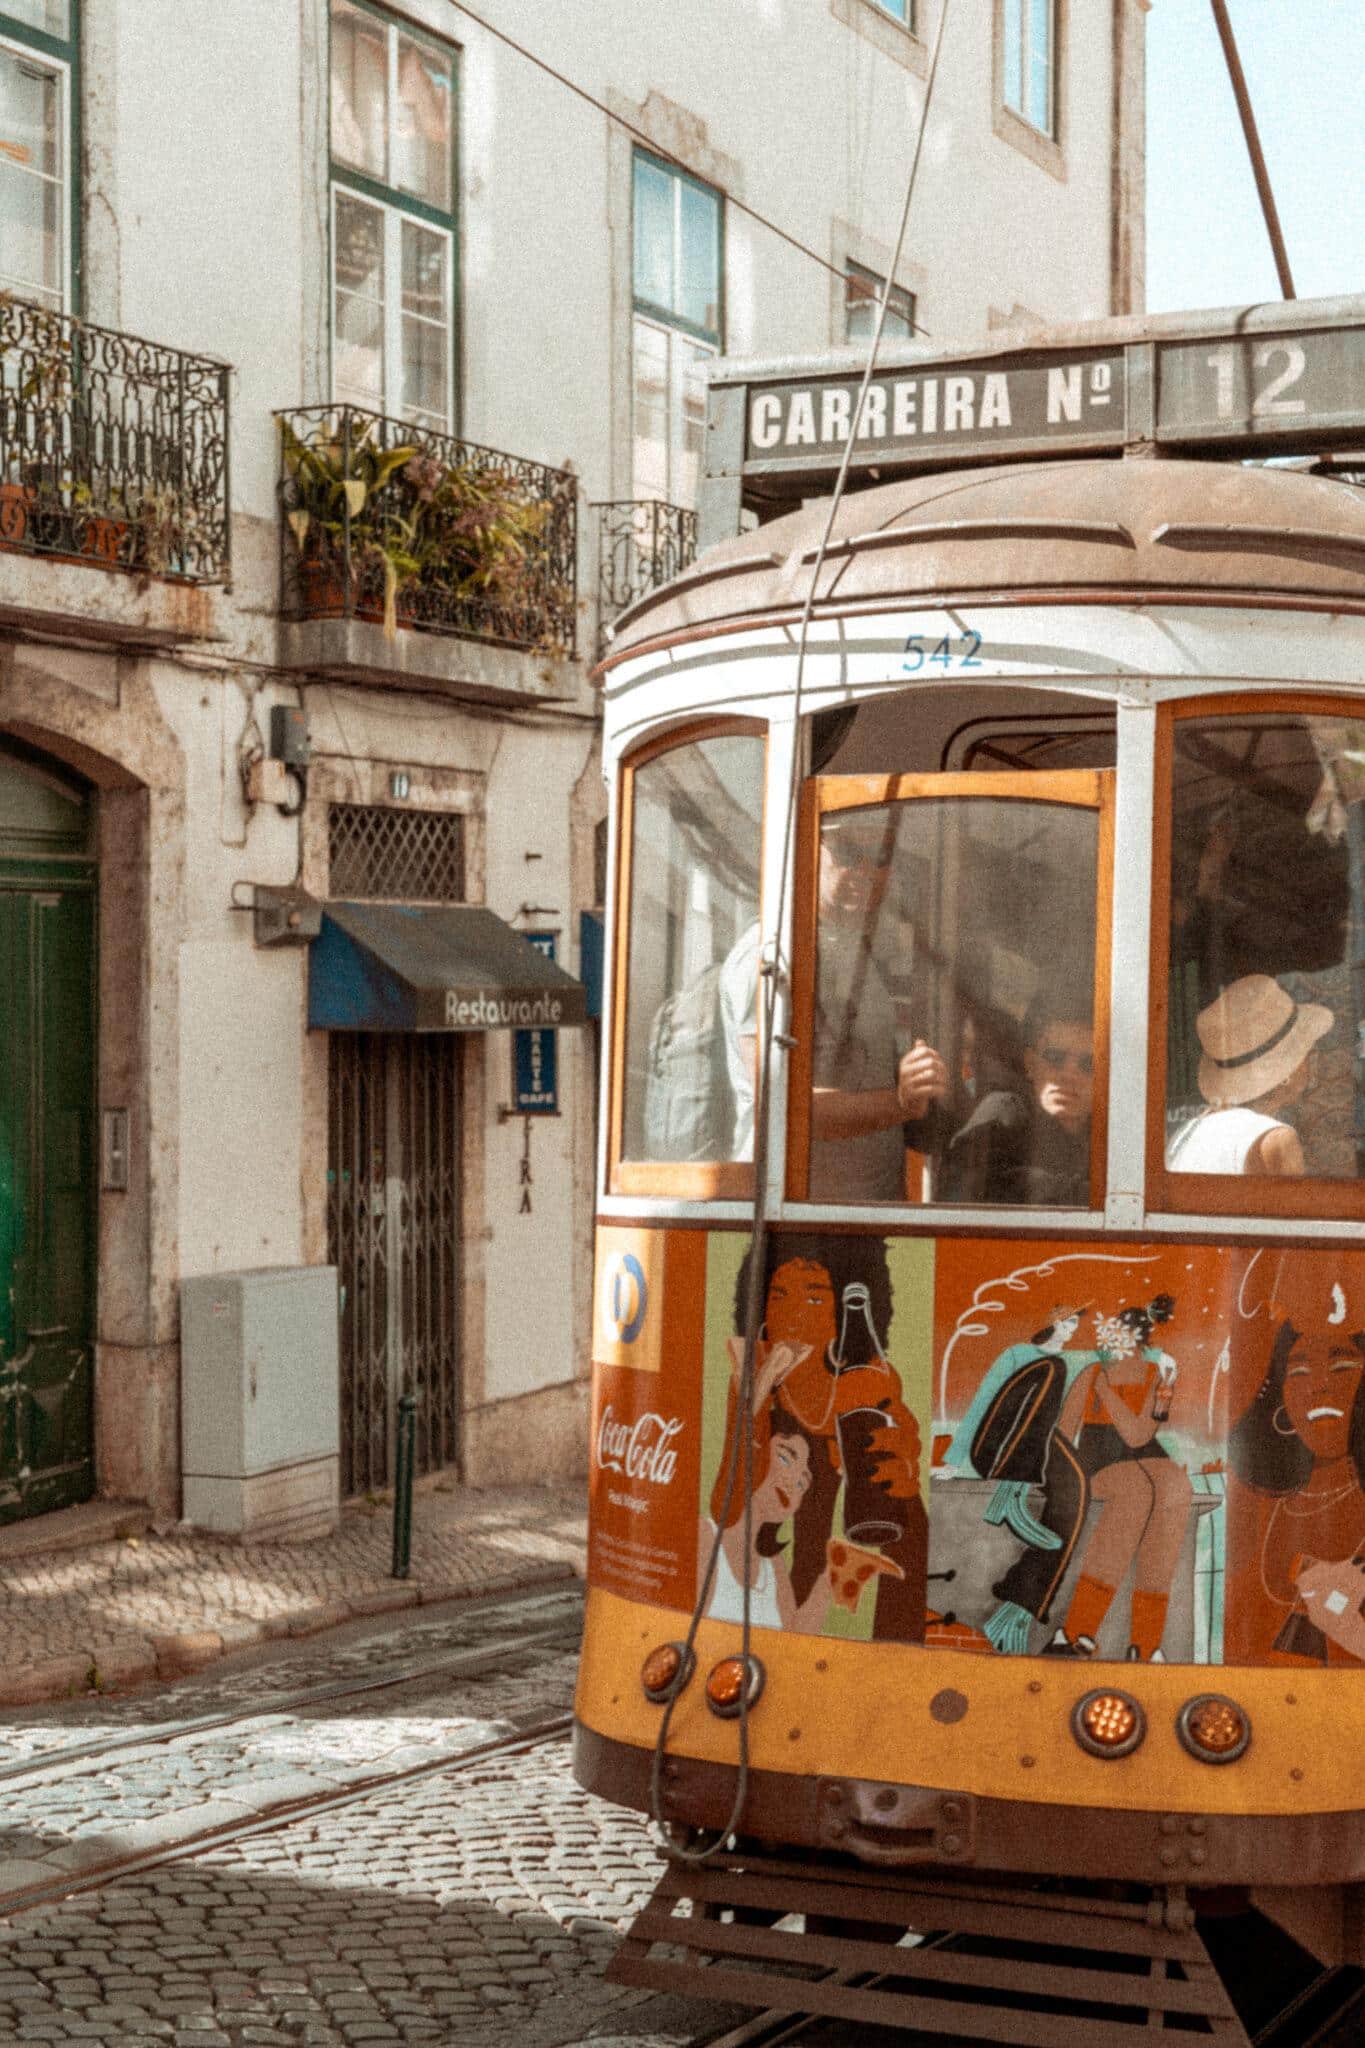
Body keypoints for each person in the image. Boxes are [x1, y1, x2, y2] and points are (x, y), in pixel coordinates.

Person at [720, 811, 948, 1200]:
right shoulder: (771, 953)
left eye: (878, 855)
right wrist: (899, 1102)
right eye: (846, 852)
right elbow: (779, 1103)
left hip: (870, 1210)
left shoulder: (854, 948)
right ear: (807, 852)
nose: (864, 870)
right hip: (797, 1214)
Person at [1040, 1296, 1190, 1663]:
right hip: (1100, 1464)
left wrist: (1114, 1395)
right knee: (1135, 1489)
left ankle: (1146, 1644)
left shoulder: (1156, 1377)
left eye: (1129, 1343)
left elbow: (1139, 1437)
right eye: (1115, 1340)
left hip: (1144, 1456)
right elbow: (1063, 1434)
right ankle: (1076, 1632)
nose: (1120, 1349)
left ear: (1139, 1343)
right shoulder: (1092, 1375)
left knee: (1176, 1486)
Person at [1227, 1275, 1365, 1665]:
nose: (1319, 1386)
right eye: (1299, 1372)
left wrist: (1342, 1619)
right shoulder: (1264, 1509)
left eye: (1341, 1367)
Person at [1165, 974, 1332, 1176]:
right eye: (1305, 1052)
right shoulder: (1275, 1140)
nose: (1310, 1060)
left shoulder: (1187, 1132)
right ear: (1284, 1072)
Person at [940, 999, 1093, 1205]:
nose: (1069, 1074)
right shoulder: (1004, 1112)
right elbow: (973, 1189)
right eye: (1055, 1057)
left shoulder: (1110, 1133)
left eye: (1088, 1063)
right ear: (1030, 1063)